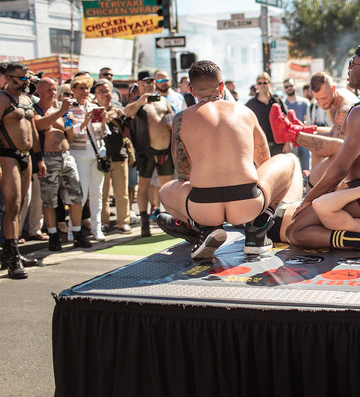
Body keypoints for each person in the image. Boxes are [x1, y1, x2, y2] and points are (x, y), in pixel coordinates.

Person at [277, 38, 360, 253]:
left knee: (295, 231)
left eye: (352, 64)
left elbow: (340, 168)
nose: (348, 69)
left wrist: (307, 201)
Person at [159, 155, 360, 257]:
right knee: (295, 165)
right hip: (286, 208)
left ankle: (202, 222)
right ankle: (196, 226)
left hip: (272, 219)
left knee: (287, 160)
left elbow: (323, 205)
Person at [159, 60, 295, 259]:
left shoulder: (181, 119)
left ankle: (205, 230)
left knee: (165, 191)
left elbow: (183, 175)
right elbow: (264, 161)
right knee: (288, 160)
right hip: (248, 204)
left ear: (191, 90)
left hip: (203, 207)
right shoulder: (245, 112)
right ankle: (258, 227)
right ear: (222, 86)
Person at [33, 77, 91, 250]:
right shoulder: (36, 109)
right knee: (49, 200)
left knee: (76, 196)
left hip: (66, 155)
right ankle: (53, 235)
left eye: (54, 89)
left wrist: (72, 120)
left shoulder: (59, 110)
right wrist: (61, 112)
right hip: (48, 158)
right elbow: (39, 125)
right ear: (39, 92)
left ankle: (77, 232)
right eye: (48, 90)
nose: (52, 93)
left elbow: (70, 135)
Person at [0, 63, 46, 278]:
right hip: (6, 156)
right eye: (22, 78)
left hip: (26, 157)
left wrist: (39, 159)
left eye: (27, 77)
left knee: (21, 207)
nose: (27, 81)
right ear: (9, 78)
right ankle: (12, 259)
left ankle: (14, 252)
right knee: (13, 204)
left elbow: (34, 131)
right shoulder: (2, 99)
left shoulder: (27, 100)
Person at [125, 70, 175, 237]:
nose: (148, 86)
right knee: (144, 186)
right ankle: (144, 220)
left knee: (167, 186)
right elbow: (128, 112)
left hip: (164, 150)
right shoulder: (137, 102)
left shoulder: (162, 100)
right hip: (146, 151)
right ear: (139, 84)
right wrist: (140, 101)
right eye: (145, 83)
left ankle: (170, 219)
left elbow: (171, 119)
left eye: (151, 82)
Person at [68, 75, 109, 242]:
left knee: (97, 193)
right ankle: (73, 229)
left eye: (86, 88)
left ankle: (96, 227)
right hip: (79, 155)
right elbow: (71, 133)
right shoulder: (70, 108)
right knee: (81, 194)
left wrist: (104, 121)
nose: (84, 91)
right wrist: (85, 122)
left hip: (97, 154)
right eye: (81, 88)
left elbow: (103, 133)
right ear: (73, 90)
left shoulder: (95, 107)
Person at [93, 80, 132, 233]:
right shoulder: (93, 110)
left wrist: (121, 115)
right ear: (95, 95)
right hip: (100, 157)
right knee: (102, 193)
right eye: (101, 91)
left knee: (121, 193)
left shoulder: (119, 109)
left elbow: (129, 126)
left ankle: (123, 222)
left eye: (107, 90)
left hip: (119, 154)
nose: (105, 94)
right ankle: (103, 221)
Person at [245, 72, 288, 157]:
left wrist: (288, 142)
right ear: (257, 85)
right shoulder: (251, 104)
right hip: (260, 146)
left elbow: (286, 121)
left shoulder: (277, 100)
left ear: (269, 84)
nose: (262, 85)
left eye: (265, 82)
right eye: (260, 83)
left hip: (279, 145)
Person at [282, 77, 311, 172]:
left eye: (291, 85)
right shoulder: (282, 103)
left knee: (306, 168)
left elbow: (308, 121)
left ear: (295, 86)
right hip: (289, 140)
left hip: (303, 138)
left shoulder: (304, 102)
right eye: (286, 86)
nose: (289, 88)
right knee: (291, 169)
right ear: (284, 89)